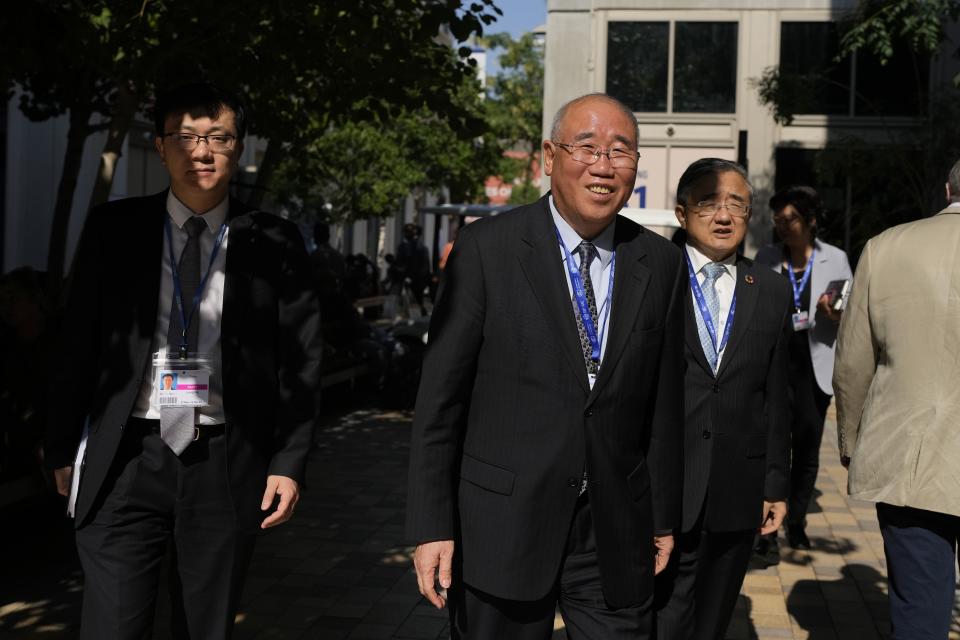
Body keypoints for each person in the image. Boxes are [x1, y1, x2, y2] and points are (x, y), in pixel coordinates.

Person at [44, 83, 322, 639]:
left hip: (222, 461)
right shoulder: (114, 230)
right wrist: (59, 444)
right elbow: (76, 342)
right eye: (187, 137)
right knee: (112, 625)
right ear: (162, 145)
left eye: (218, 137)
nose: (202, 150)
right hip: (126, 455)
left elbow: (301, 361)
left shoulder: (275, 240)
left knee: (203, 627)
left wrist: (288, 461)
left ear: (239, 148)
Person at [406, 93, 685, 639]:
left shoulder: (662, 262)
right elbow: (441, 400)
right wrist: (431, 525)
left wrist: (663, 514)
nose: (604, 166)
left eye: (621, 152)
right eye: (587, 147)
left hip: (613, 530)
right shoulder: (487, 248)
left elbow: (664, 404)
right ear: (550, 156)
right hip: (502, 526)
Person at [654, 159, 791, 639]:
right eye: (709, 203)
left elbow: (776, 394)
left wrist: (775, 482)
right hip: (664, 487)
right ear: (681, 212)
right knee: (663, 619)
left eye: (736, 204)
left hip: (738, 484)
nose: (723, 215)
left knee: (713, 622)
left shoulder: (771, 289)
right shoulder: (651, 277)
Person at [833, 159, 960, 639]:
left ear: (947, 189)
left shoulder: (886, 247)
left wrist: (851, 439)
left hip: (909, 451)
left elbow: (852, 361)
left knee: (919, 611)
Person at [754, 186, 852, 553]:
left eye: (789, 219)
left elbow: (848, 311)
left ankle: (796, 522)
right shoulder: (765, 256)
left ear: (810, 221)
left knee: (807, 451)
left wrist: (834, 312)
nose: (782, 226)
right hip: (773, 368)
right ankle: (766, 530)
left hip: (814, 370)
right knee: (770, 449)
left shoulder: (836, 259)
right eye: (777, 220)